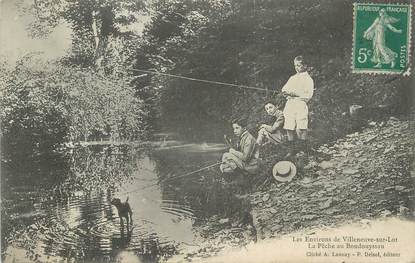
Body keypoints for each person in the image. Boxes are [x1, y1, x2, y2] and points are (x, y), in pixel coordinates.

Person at [280, 56, 314, 157]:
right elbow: (284, 89)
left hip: (300, 104)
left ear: (305, 66)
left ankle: (303, 149)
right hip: (290, 104)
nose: (297, 68)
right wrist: (286, 93)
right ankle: (291, 150)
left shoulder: (308, 79)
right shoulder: (292, 78)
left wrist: (295, 93)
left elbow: (308, 95)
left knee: (301, 127)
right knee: (289, 126)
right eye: (295, 65)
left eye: (299, 65)